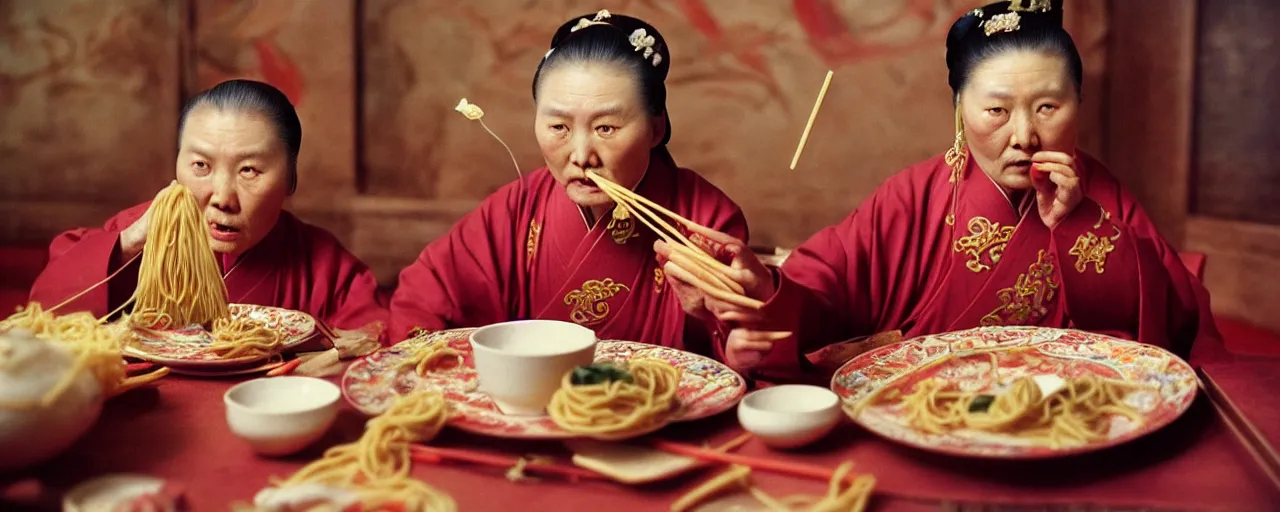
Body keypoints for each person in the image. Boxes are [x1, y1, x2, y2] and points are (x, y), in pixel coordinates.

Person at [660, 0, 1223, 382]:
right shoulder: (912, 197)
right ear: (961, 111)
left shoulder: (1102, 197)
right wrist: (762, 289)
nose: (1024, 135)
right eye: (997, 110)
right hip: (919, 410)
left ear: (1079, 103)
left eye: (1048, 107)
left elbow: (1163, 330)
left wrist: (1079, 226)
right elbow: (824, 290)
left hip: (1054, 419)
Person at [388, 10, 747, 354]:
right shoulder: (518, 208)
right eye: (559, 127)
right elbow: (424, 295)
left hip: (656, 410)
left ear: (655, 128)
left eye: (605, 128)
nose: (580, 155)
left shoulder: (704, 217)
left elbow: (739, 340)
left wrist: (732, 345)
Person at [28, 79, 388, 337]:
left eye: (249, 170)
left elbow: (376, 346)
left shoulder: (325, 267)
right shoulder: (133, 233)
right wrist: (129, 244)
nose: (222, 197)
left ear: (290, 178)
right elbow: (44, 314)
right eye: (201, 166)